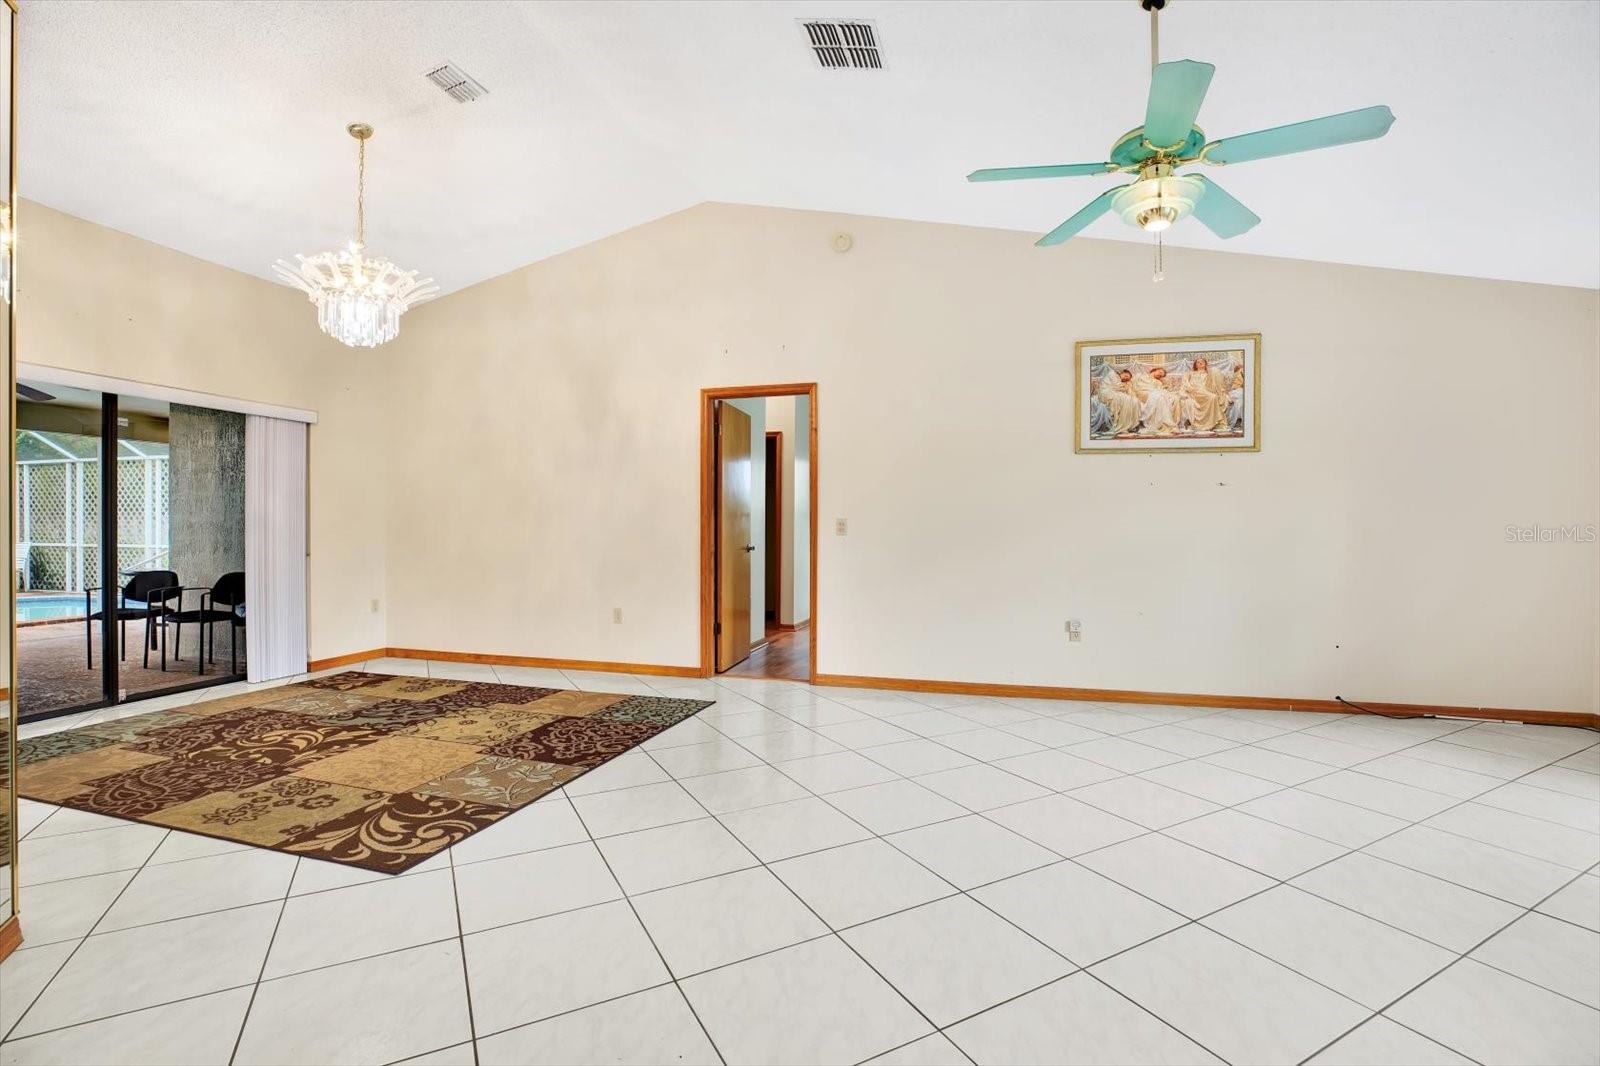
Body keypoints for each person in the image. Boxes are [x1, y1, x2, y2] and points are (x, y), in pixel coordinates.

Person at [1179, 356, 1229, 433]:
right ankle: (1209, 422)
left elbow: (1215, 383)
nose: (1200, 363)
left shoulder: (1209, 374)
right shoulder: (1190, 373)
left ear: (1206, 364)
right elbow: (1185, 383)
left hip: (1206, 390)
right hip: (1194, 392)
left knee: (1213, 396)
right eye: (1198, 362)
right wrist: (1192, 389)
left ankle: (1213, 422)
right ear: (1195, 365)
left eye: (1202, 362)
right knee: (1212, 397)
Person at [1131, 365, 1181, 435]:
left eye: (1162, 375)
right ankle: (1163, 424)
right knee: (1159, 396)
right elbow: (1133, 385)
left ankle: (1172, 424)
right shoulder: (1141, 375)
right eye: (1160, 372)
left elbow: (1165, 389)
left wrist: (1163, 383)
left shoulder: (1158, 382)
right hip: (1143, 392)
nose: (1160, 375)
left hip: (1155, 392)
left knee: (1175, 398)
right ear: (1155, 369)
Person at [1097, 368, 1142, 435]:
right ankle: (1122, 425)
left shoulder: (1122, 382)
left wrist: (1127, 386)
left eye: (1128, 379)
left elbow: (1125, 390)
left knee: (1134, 400)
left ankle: (1131, 425)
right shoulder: (1112, 374)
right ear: (1122, 372)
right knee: (1125, 399)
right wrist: (1126, 385)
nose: (1126, 379)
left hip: (1115, 392)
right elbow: (1117, 386)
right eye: (1126, 376)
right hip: (1107, 392)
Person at [1226, 358, 1246, 431]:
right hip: (1235, 391)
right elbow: (1232, 386)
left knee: (1239, 401)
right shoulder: (1236, 373)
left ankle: (1238, 421)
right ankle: (1234, 422)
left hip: (1243, 391)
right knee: (1239, 397)